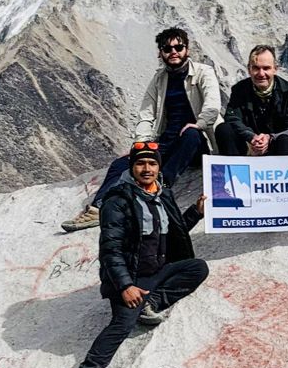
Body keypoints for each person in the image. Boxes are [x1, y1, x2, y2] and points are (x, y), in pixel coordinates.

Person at [65, 142, 210, 368]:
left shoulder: (162, 194)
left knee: (197, 268)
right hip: (133, 277)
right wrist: (125, 286)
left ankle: (152, 303)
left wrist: (195, 213)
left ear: (158, 167)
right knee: (122, 323)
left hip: (160, 269)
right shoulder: (117, 200)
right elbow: (111, 250)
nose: (147, 169)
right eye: (141, 164)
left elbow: (174, 231)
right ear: (132, 168)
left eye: (152, 163)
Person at [61, 28, 221, 231]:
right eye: (168, 48)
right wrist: (141, 144)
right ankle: (98, 209)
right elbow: (146, 114)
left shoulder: (204, 72)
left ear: (187, 49)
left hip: (199, 141)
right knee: (122, 164)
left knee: (191, 135)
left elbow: (212, 106)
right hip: (169, 139)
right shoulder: (159, 79)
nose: (174, 52)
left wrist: (198, 123)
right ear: (160, 53)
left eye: (178, 47)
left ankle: (160, 186)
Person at [214, 45, 288, 157]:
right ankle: (235, 170)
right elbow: (232, 118)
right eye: (256, 68)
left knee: (286, 139)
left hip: (278, 145)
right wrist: (252, 137)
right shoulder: (239, 89)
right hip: (248, 144)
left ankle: (281, 171)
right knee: (224, 129)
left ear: (275, 69)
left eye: (266, 68)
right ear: (249, 69)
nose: (261, 74)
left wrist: (269, 138)